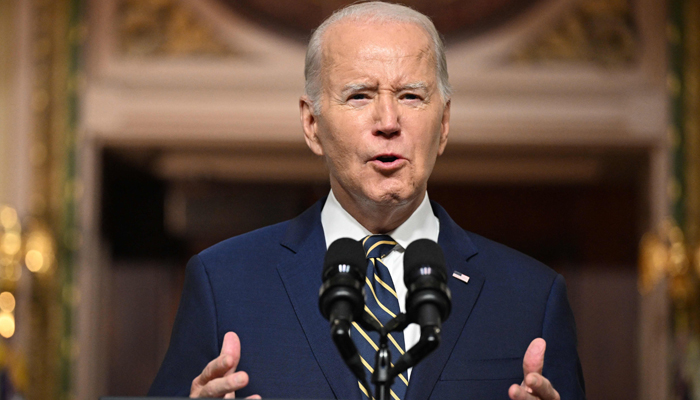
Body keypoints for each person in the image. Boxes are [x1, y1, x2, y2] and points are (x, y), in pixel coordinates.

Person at [148, 2, 585, 400]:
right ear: (311, 124)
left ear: (445, 124)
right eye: (359, 95)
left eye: (411, 96)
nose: (389, 122)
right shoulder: (224, 283)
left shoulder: (531, 297)